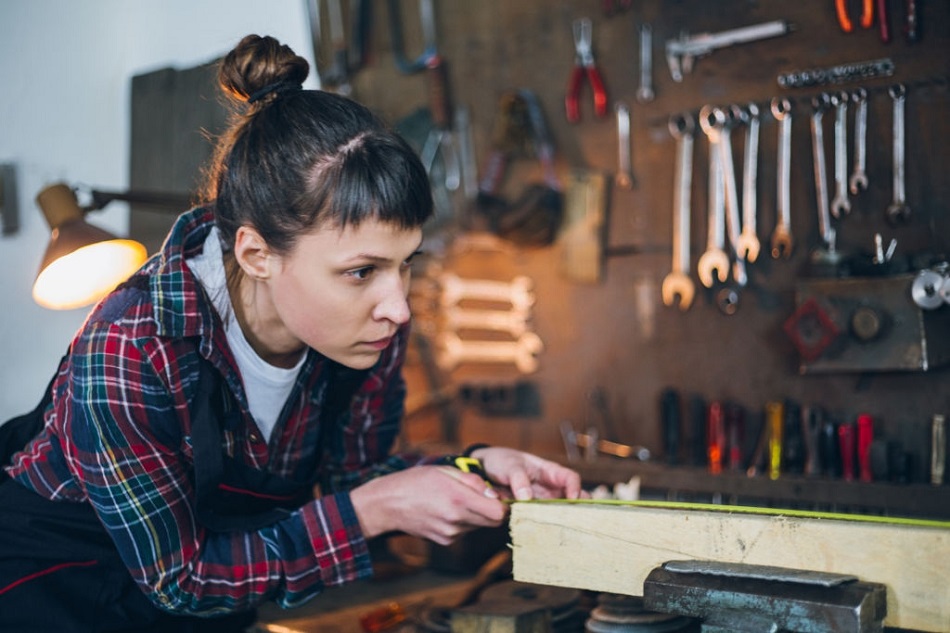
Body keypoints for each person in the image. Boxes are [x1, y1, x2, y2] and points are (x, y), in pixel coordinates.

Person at [0, 34, 583, 632]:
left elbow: (348, 482)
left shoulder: (366, 329)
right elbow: (181, 581)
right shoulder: (132, 349)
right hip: (56, 595)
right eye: (361, 271)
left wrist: (472, 467)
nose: (398, 307)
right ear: (256, 254)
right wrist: (370, 514)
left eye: (405, 263)